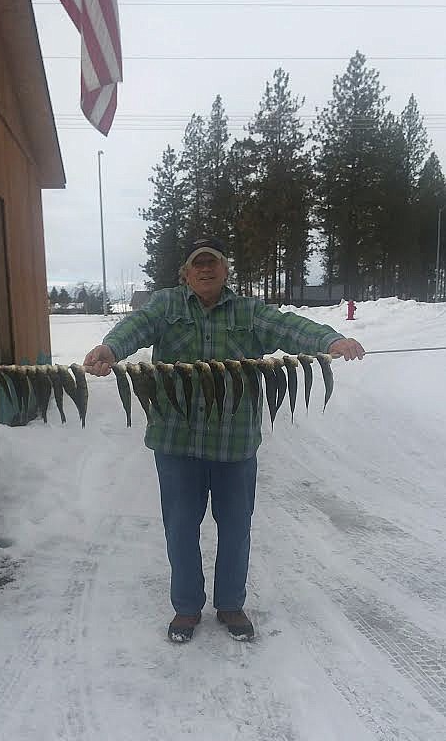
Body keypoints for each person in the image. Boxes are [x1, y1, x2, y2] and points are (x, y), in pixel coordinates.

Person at [84, 237, 365, 643]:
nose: (205, 269)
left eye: (213, 262)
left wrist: (330, 340)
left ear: (225, 270)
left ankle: (231, 604)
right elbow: (135, 328)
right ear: (186, 272)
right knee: (180, 528)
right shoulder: (166, 305)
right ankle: (186, 608)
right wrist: (109, 348)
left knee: (235, 528)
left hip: (234, 444)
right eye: (197, 264)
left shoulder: (249, 312)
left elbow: (290, 326)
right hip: (175, 441)